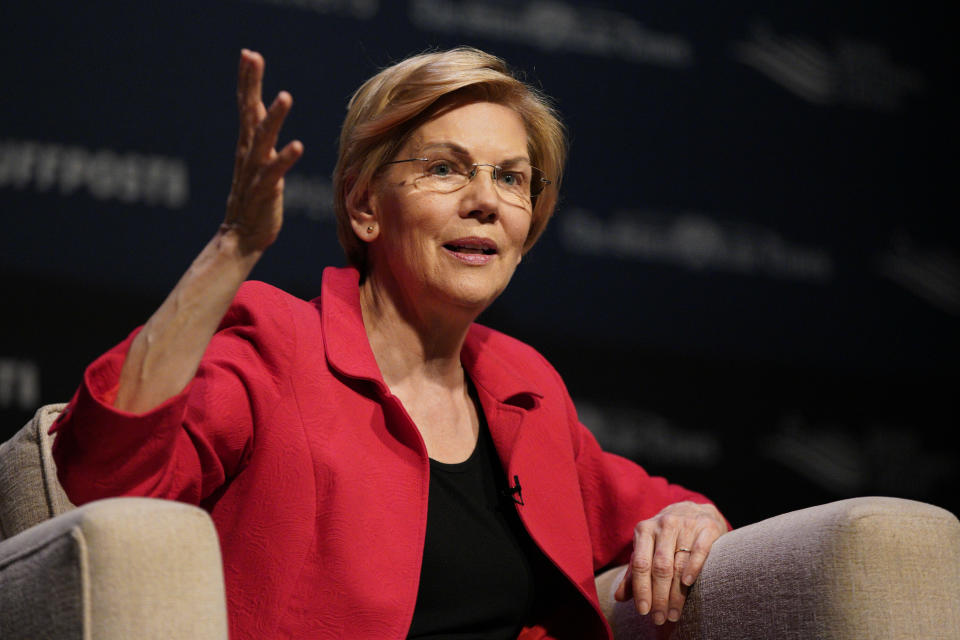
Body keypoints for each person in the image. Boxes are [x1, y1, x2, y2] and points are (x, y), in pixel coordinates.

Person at [50, 47, 729, 639]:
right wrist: (233, 248)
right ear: (365, 207)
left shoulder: (523, 386)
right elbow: (110, 476)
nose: (485, 200)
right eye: (445, 168)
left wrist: (689, 523)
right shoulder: (277, 345)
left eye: (511, 177)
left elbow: (663, 510)